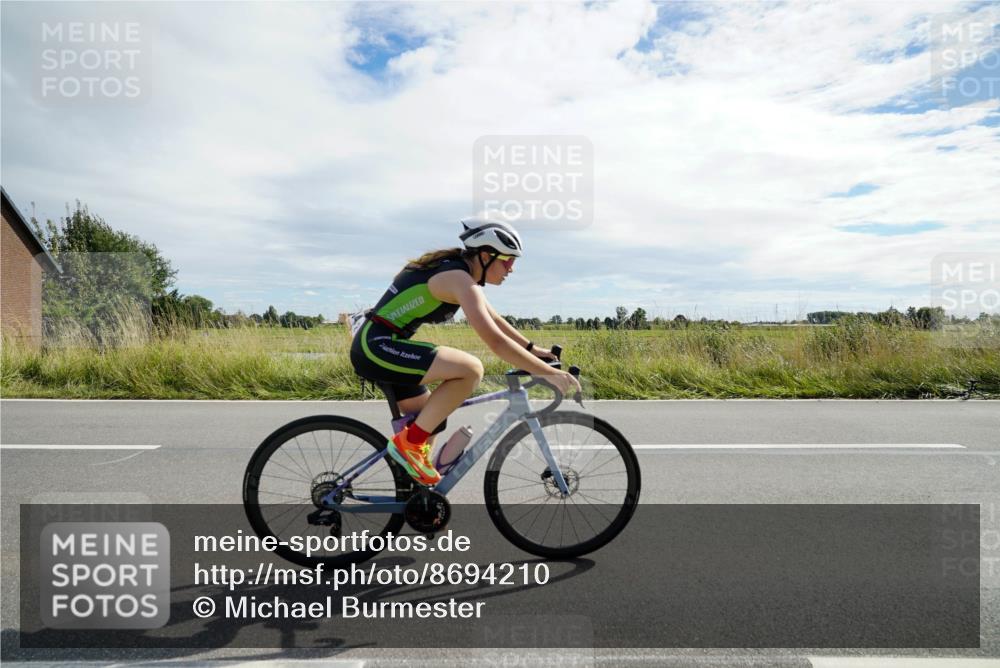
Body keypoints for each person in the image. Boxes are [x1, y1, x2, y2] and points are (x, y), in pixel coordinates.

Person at [350, 216, 582, 486]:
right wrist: (545, 372)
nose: (511, 269)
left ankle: (419, 491)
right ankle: (409, 446)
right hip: (376, 346)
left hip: (384, 345)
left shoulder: (462, 276)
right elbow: (494, 341)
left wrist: (533, 349)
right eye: (508, 261)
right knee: (471, 370)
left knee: (432, 418)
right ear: (486, 255)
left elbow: (494, 319)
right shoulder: (458, 279)